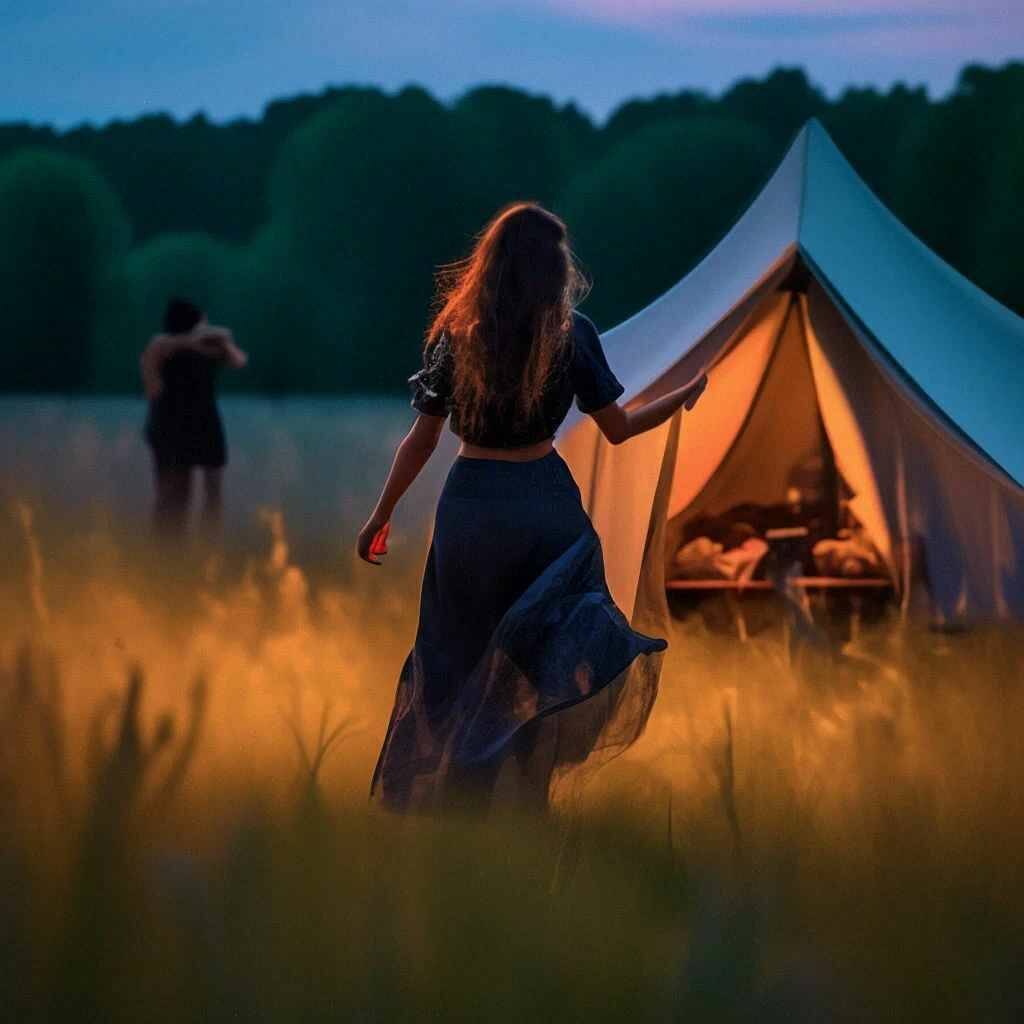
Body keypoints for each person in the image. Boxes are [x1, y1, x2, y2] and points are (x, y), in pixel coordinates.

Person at [356, 203, 707, 814]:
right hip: (545, 507)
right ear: (552, 267)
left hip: (471, 509)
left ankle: (462, 799)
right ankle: (530, 793)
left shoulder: (457, 337)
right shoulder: (572, 334)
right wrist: (681, 395)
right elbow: (618, 430)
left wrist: (381, 513)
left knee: (458, 654)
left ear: (490, 264)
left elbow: (422, 441)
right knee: (546, 657)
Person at [140, 298, 248, 541]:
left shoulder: (209, 347)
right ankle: (169, 543)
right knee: (175, 490)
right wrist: (195, 341)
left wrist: (216, 342)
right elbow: (154, 385)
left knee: (209, 490)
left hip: (203, 421)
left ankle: (206, 543)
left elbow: (238, 360)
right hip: (175, 423)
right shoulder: (163, 345)